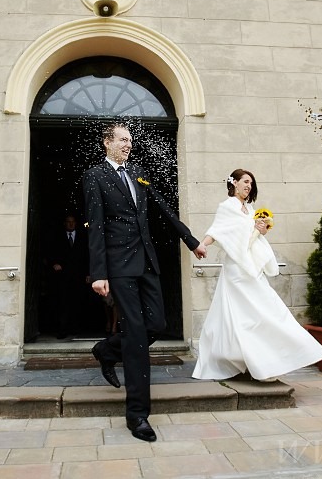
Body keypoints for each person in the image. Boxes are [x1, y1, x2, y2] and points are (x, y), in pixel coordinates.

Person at [83, 123, 207, 442]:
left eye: (130, 140)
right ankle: (138, 415)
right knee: (137, 336)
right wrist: (99, 273)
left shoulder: (138, 172)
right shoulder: (95, 176)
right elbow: (94, 226)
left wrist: (191, 241)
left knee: (156, 323)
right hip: (119, 266)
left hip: (147, 262)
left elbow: (163, 208)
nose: (128, 144)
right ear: (107, 141)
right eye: (122, 140)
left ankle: (107, 350)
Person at [193, 169, 322, 381]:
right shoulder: (226, 207)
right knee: (242, 315)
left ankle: (264, 360)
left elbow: (252, 234)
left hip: (252, 267)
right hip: (237, 269)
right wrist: (201, 245)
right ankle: (248, 361)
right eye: (245, 182)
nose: (249, 186)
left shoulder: (250, 208)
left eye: (251, 183)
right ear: (234, 183)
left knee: (265, 309)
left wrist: (261, 229)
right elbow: (216, 231)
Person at [48, 213, 91, 339]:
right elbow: (51, 251)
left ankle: (76, 328)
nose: (71, 224)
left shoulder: (83, 237)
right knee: (63, 302)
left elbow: (87, 255)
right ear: (64, 223)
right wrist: (54, 263)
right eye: (68, 221)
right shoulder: (58, 237)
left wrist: (89, 273)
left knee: (77, 302)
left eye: (73, 221)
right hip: (63, 276)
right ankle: (63, 329)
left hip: (79, 275)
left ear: (76, 223)